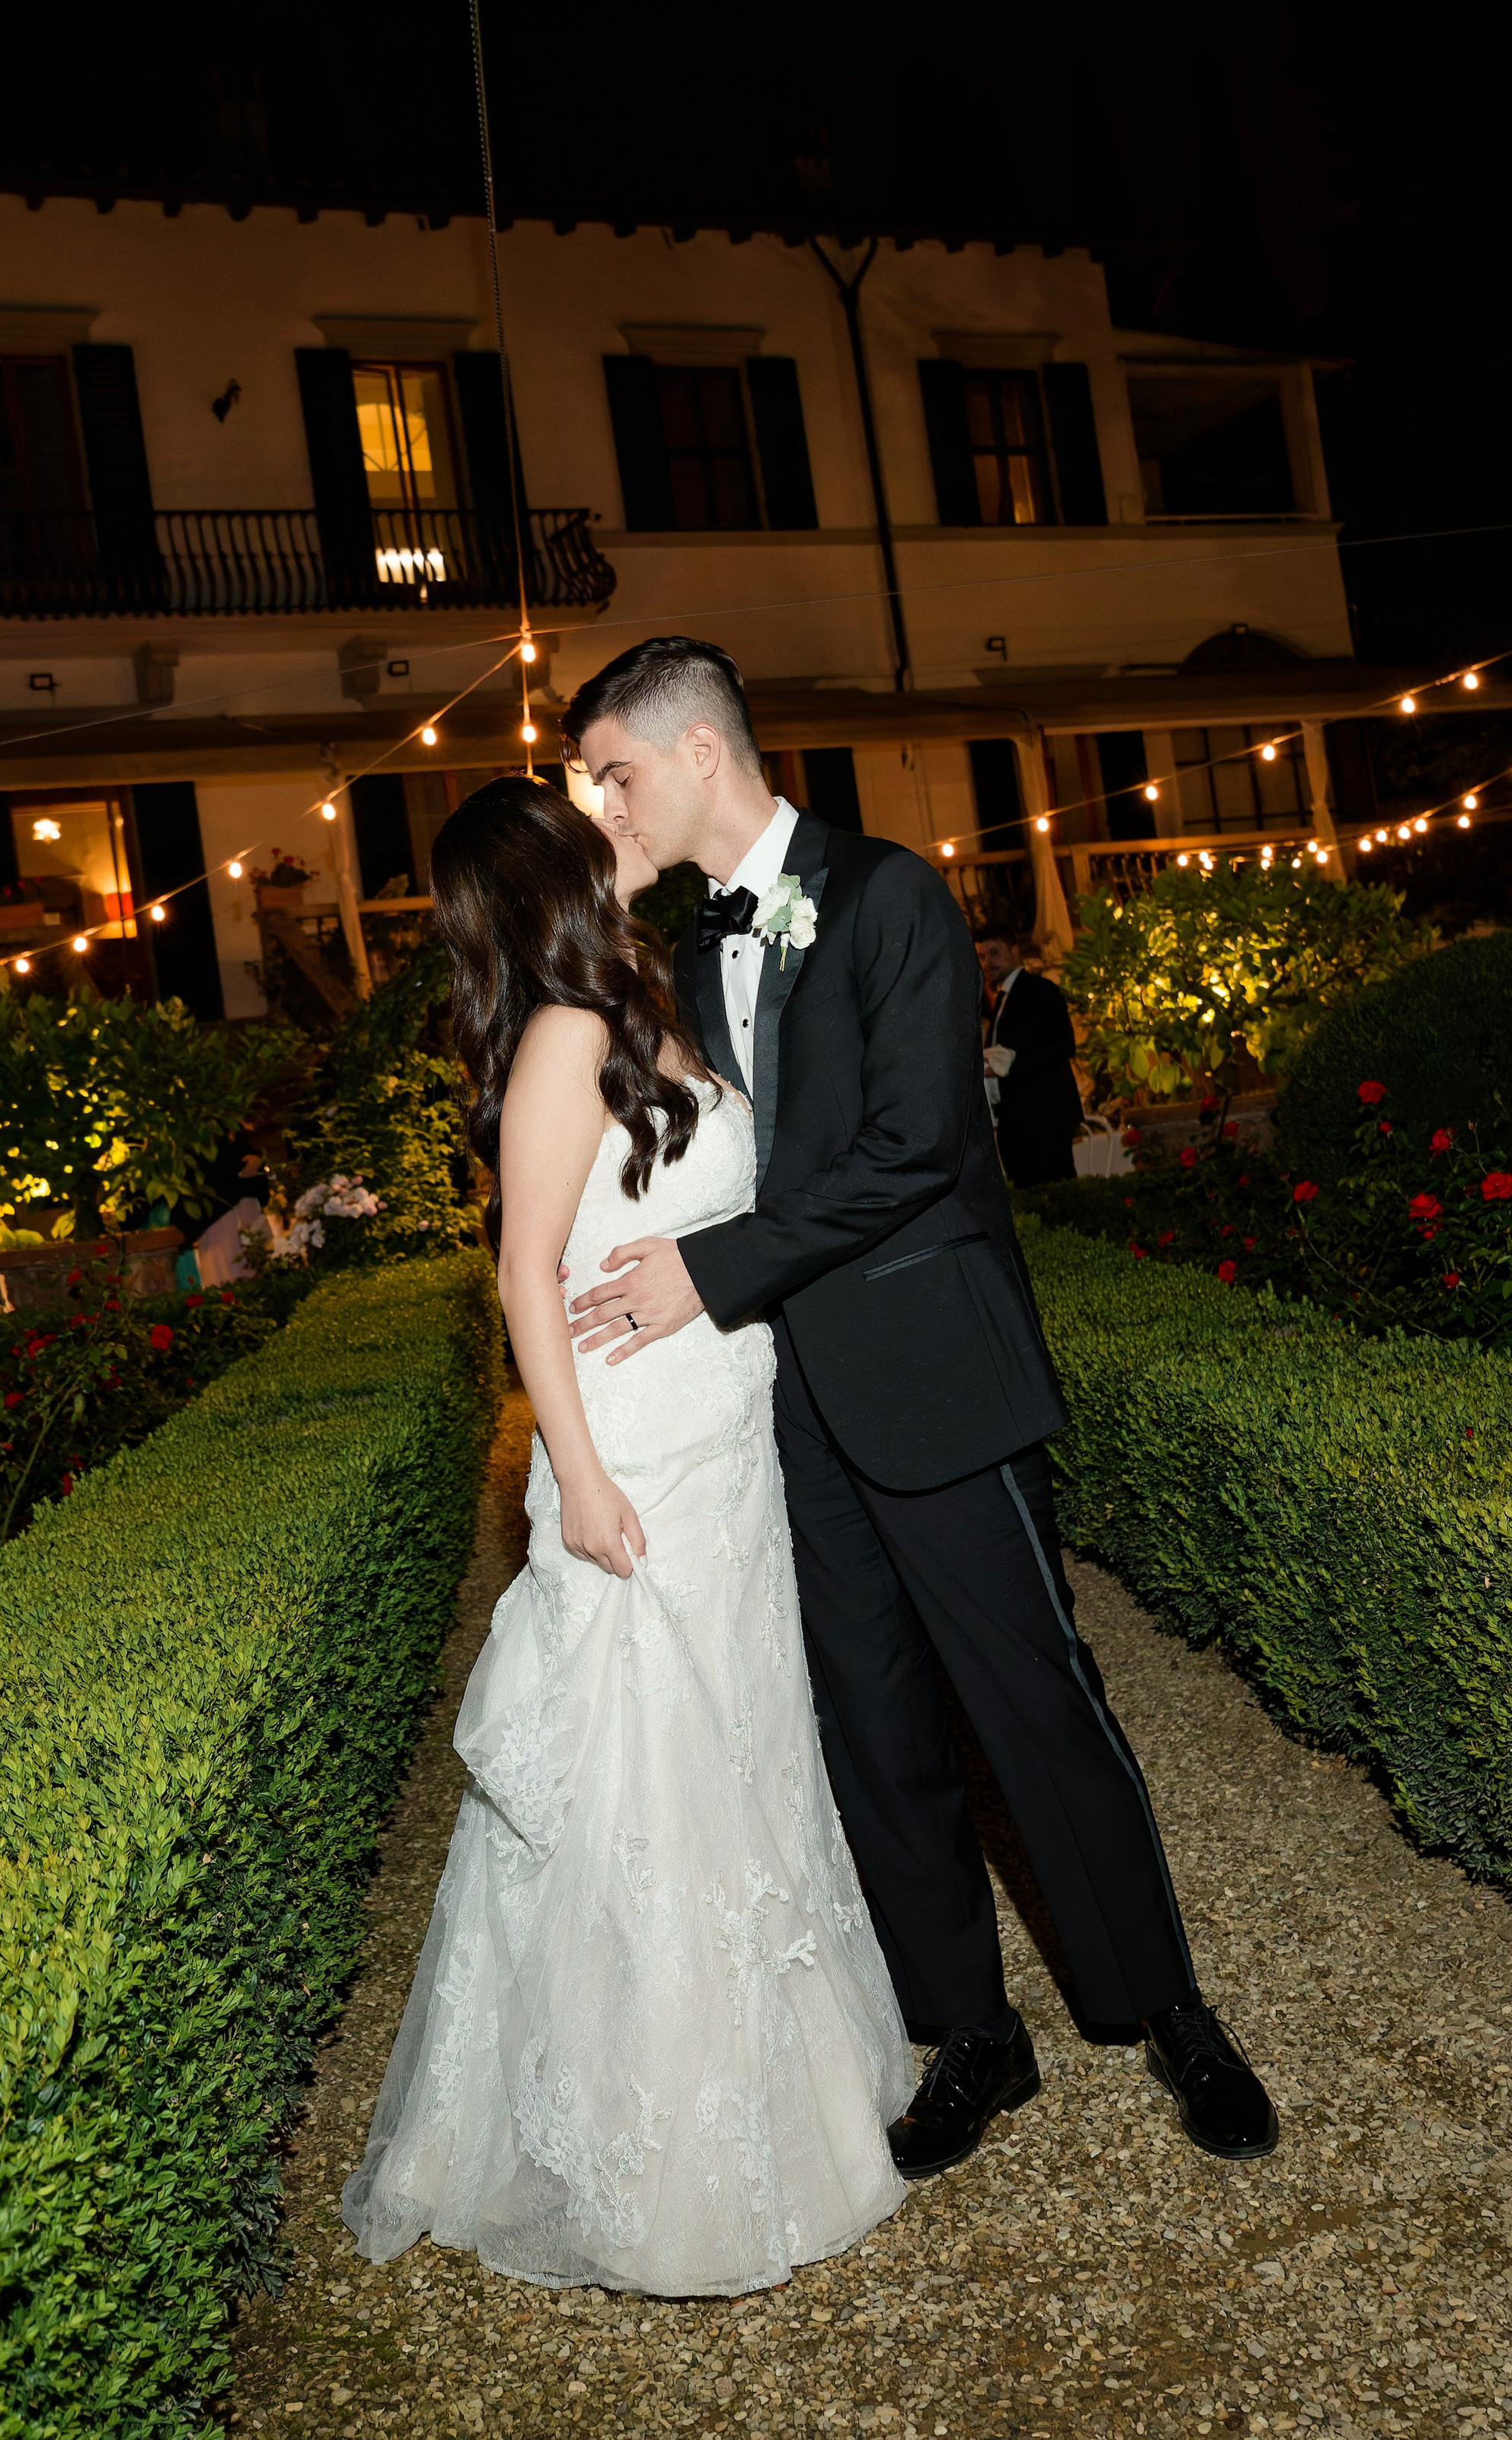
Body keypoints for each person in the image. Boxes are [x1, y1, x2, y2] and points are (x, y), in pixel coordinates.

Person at [564, 638, 1276, 2175]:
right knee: (871, 1726)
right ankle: (969, 2030)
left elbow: (915, 1148)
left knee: (1037, 1702)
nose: (603, 802)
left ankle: (1168, 2010)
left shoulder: (889, 895)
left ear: (698, 753)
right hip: (787, 1406)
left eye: (615, 773)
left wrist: (706, 1273)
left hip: (931, 1370)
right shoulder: (688, 941)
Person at [341, 777, 911, 2296]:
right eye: (583, 808)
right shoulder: (558, 1037)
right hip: (637, 1454)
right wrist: (578, 1479)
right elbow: (522, 1272)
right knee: (654, 1784)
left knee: (745, 1753)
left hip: (726, 1439)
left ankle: (784, 2101)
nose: (614, 812)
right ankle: (663, 2167)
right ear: (551, 870)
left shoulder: (639, 999)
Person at [978, 927, 1079, 1185]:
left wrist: (1004, 1069)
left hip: (1044, 1117)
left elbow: (1063, 1044)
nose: (988, 962)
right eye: (981, 956)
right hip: (1016, 1121)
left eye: (994, 953)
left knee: (1054, 1193)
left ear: (1014, 951)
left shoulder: (1039, 990)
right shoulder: (1002, 999)